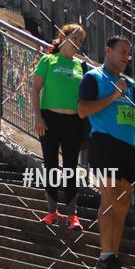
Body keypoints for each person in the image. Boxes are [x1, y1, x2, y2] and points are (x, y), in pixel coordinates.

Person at [78, 36, 135, 269]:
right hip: (104, 142)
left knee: (123, 202)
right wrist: (113, 96)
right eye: (122, 51)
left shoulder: (128, 83)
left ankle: (113, 255)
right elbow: (82, 110)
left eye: (129, 53)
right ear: (107, 50)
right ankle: (104, 256)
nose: (126, 56)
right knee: (109, 196)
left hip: (126, 146)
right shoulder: (93, 77)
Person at [32, 23, 88, 229]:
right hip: (49, 119)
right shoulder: (48, 60)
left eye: (81, 41)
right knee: (51, 164)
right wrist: (38, 117)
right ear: (63, 36)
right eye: (75, 37)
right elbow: (35, 89)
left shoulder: (81, 66)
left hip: (73, 122)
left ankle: (73, 216)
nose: (78, 43)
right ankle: (51, 212)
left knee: (71, 167)